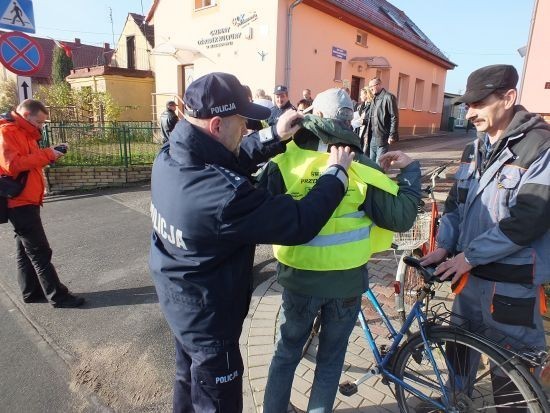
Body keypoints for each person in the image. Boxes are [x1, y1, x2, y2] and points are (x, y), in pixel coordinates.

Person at [149, 72, 356, 413]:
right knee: (217, 402)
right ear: (216, 125)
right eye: (241, 121)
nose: (246, 128)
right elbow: (299, 221)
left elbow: (227, 160)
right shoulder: (224, 197)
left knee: (187, 383)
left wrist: (274, 135)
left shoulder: (171, 154)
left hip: (179, 301)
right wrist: (336, 176)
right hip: (211, 319)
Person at [260, 88, 421, 412]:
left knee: (287, 352)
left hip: (298, 281)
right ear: (349, 120)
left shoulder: (285, 160)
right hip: (346, 285)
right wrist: (410, 171)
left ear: (314, 117)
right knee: (331, 359)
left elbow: (254, 212)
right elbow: (402, 216)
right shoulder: (361, 166)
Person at [421, 64, 550, 408]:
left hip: (510, 286)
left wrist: (467, 256)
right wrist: (445, 246)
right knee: (459, 349)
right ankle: (453, 402)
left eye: (479, 103)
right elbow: (454, 205)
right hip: (469, 277)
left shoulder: (541, 147)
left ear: (509, 98)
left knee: (512, 368)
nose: (469, 111)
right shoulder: (472, 149)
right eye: (468, 103)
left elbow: (529, 220)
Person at [0, 100, 85, 308]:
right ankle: (58, 296)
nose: (41, 126)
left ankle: (31, 292)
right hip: (19, 201)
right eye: (39, 122)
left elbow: (28, 160)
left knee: (25, 249)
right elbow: (13, 165)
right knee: (39, 251)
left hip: (25, 199)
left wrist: (50, 153)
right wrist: (49, 154)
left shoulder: (22, 132)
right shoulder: (7, 131)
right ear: (27, 114)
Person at [364, 77, 399, 163]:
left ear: (379, 85)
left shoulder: (389, 97)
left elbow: (394, 117)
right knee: (371, 164)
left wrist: (392, 135)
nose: (371, 89)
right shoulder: (373, 99)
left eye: (372, 86)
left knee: (380, 163)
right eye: (370, 87)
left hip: (383, 136)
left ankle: (379, 176)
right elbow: (371, 118)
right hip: (372, 137)